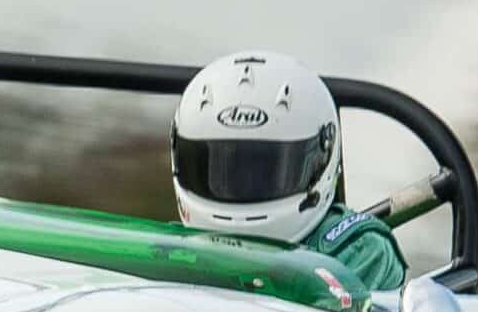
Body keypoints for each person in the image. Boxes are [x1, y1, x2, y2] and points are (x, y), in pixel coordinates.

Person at [168, 50, 404, 296]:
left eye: (262, 168)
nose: (244, 183)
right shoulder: (169, 251)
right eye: (221, 167)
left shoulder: (359, 252)